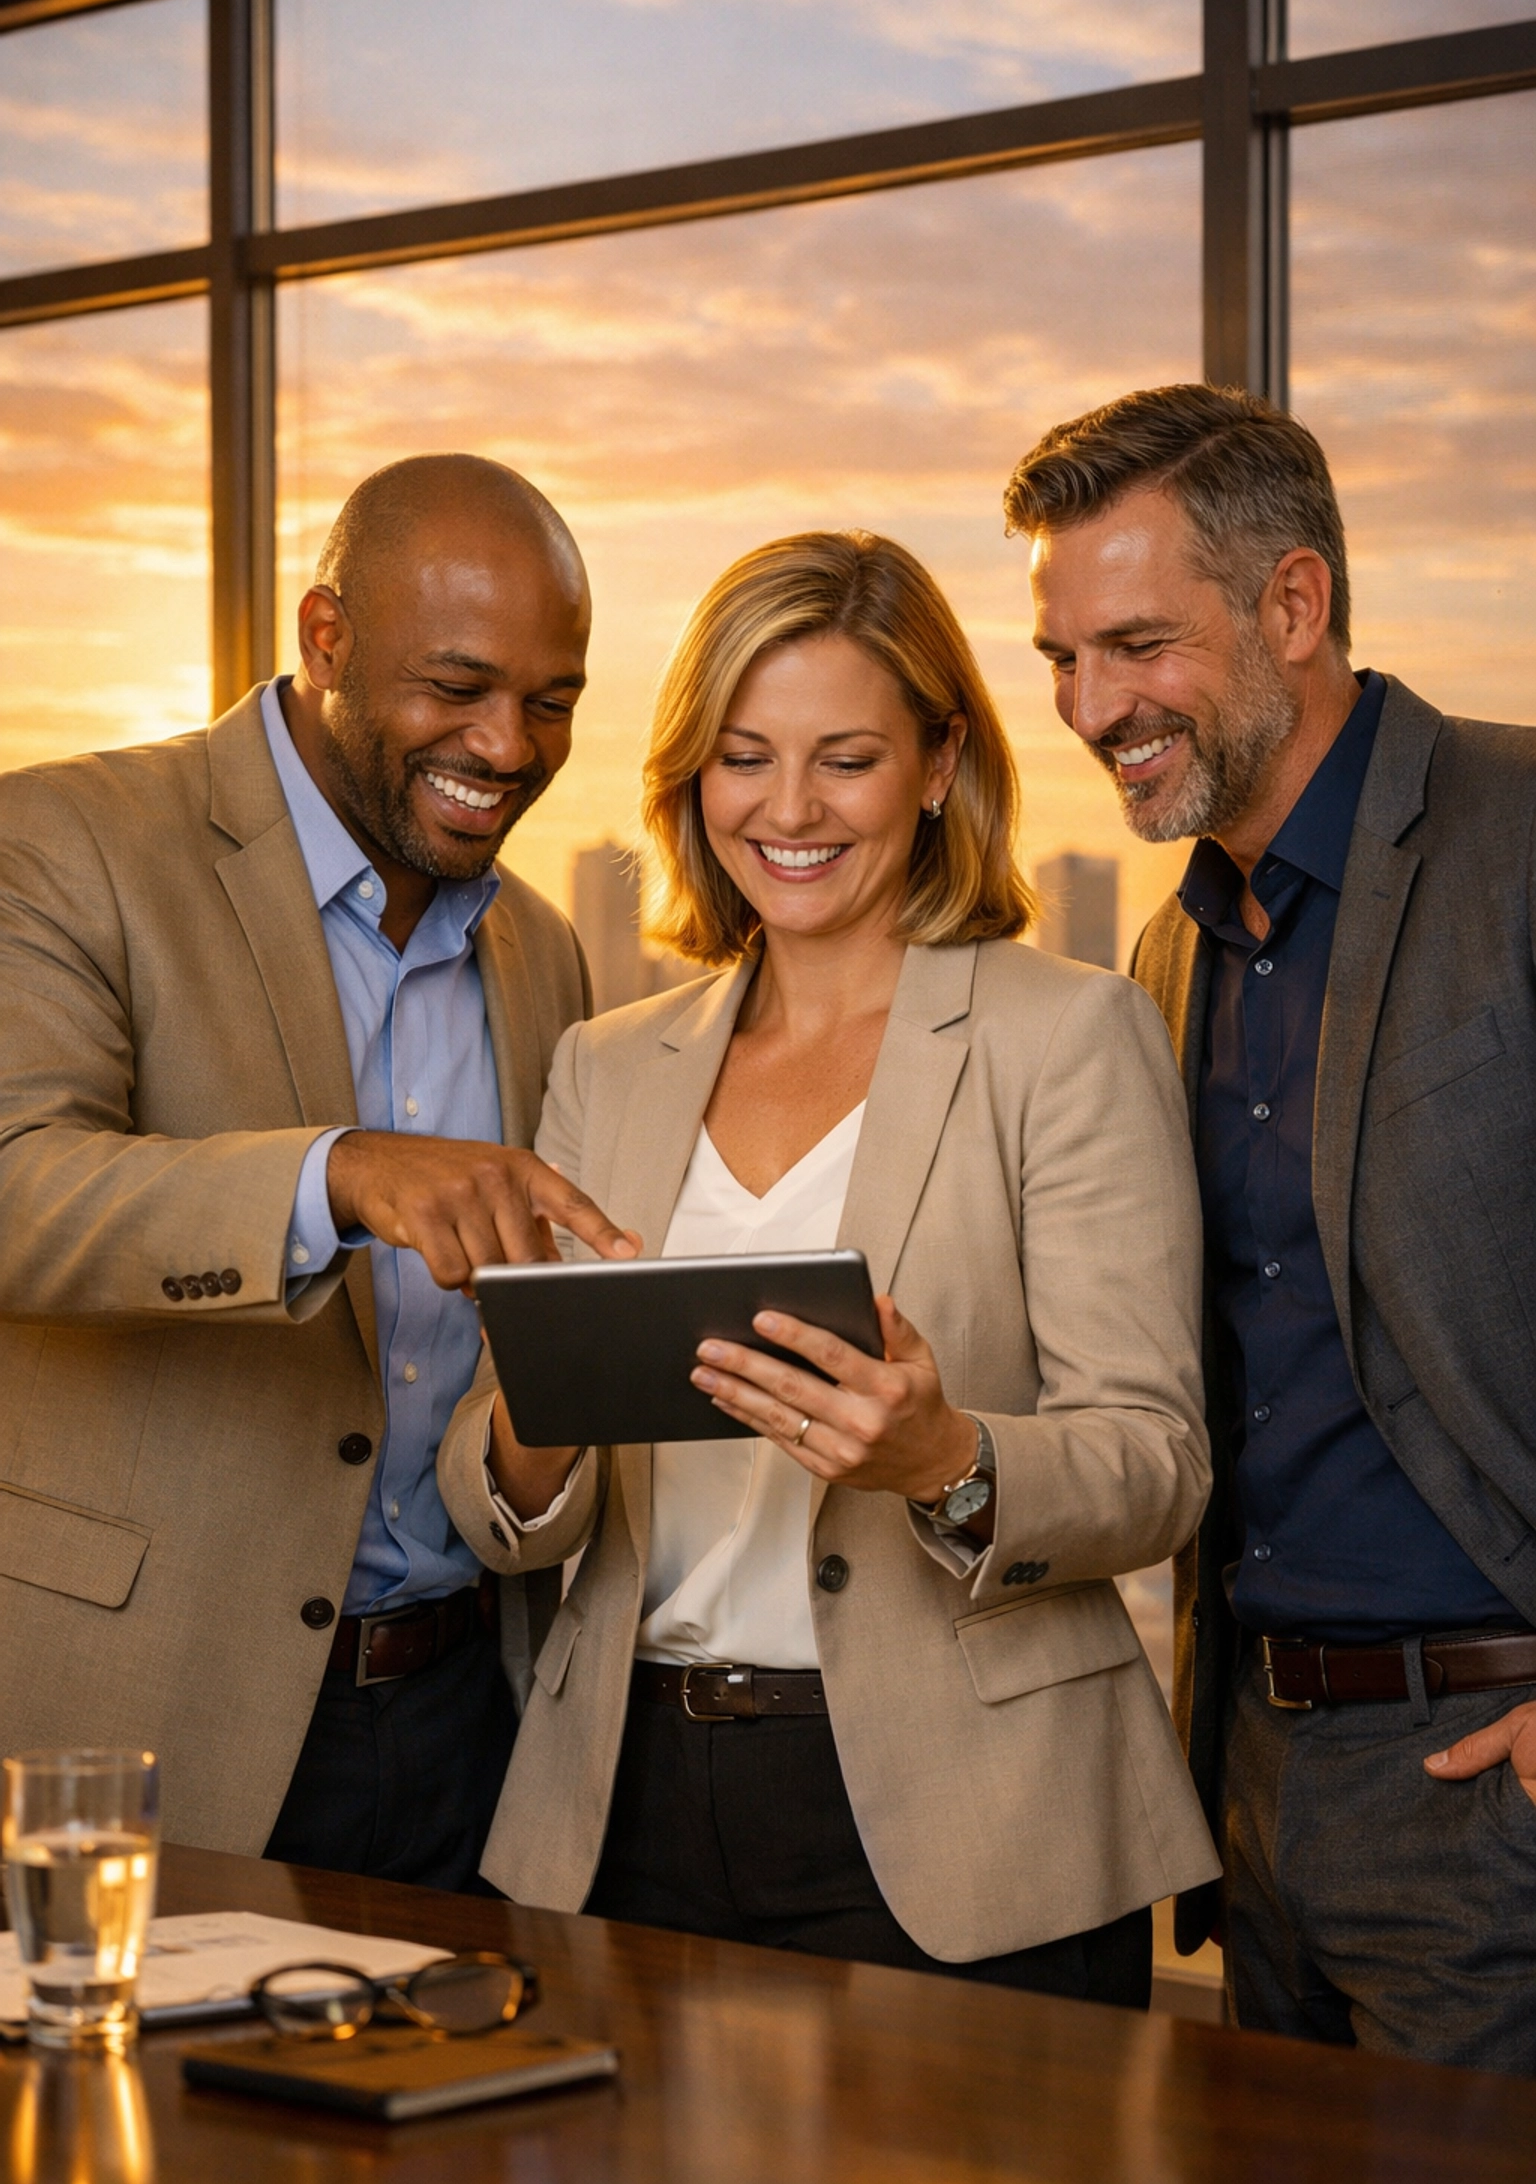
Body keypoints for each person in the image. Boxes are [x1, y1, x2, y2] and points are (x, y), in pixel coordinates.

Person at [438, 529, 1218, 2002]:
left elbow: (1159, 1463)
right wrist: (536, 1413)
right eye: (744, 756)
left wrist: (944, 1456)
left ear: (936, 765)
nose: (788, 810)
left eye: (845, 759)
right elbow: (513, 1517)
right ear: (691, 776)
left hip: (974, 1823)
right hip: (620, 1809)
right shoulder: (606, 1066)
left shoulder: (1067, 1037)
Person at [0, 453, 634, 1888]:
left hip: (469, 1729)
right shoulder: (59, 841)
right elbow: (13, 1187)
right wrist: (331, 1178)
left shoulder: (548, 946)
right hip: (149, 1711)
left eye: (552, 701)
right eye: (458, 686)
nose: (511, 745)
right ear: (324, 636)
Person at [1007, 382, 1536, 2073]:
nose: (1093, 707)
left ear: (1293, 606)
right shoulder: (1166, 962)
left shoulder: (1521, 834)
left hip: (1494, 1774)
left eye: (1139, 645)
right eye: (1064, 659)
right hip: (1256, 1783)